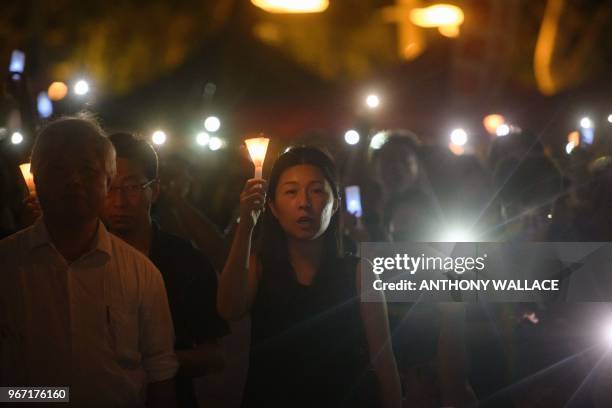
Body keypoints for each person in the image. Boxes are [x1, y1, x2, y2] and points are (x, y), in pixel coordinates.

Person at [0, 116, 178, 407]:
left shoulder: (141, 273)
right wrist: (51, 398)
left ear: (107, 182)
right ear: (35, 179)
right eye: (58, 169)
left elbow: (160, 372)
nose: (73, 182)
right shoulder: (7, 265)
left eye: (87, 170)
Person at [217, 146, 401, 407]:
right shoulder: (259, 266)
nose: (304, 202)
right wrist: (246, 224)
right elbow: (228, 308)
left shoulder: (359, 271)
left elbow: (383, 360)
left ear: (336, 203)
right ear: (273, 207)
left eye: (316, 190)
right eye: (291, 191)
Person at [101, 132, 230, 408]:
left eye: (132, 187)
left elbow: (214, 355)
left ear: (155, 189)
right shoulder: (85, 258)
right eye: (109, 186)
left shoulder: (185, 261)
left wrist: (153, 362)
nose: (119, 201)